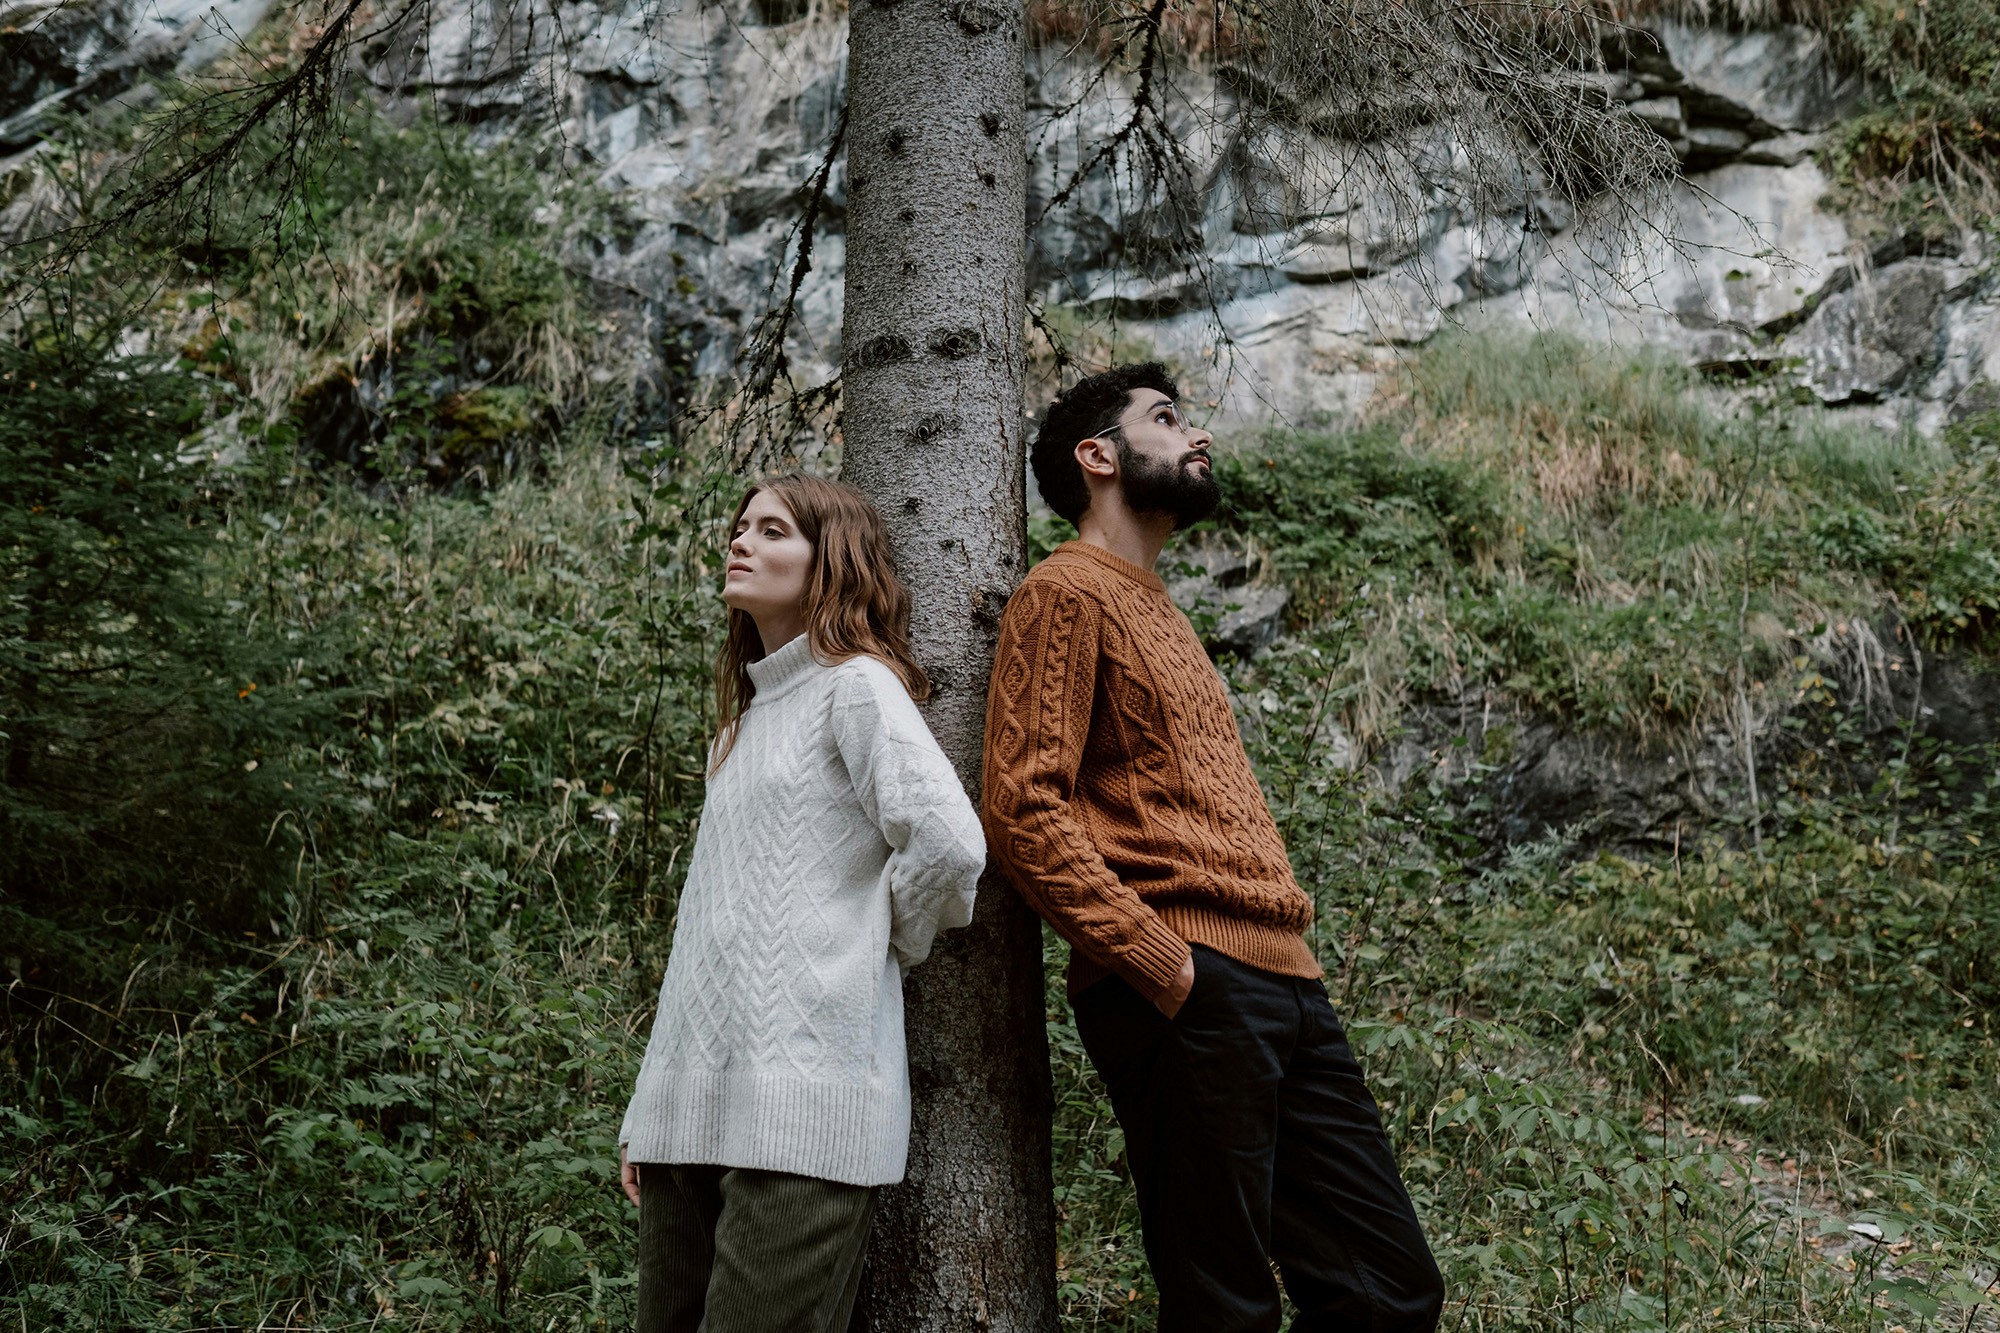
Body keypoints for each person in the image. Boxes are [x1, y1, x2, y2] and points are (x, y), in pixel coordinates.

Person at [981, 364, 1445, 1333]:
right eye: (1164, 419)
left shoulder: (1160, 607)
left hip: (1283, 980)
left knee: (1387, 1288)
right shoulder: (1062, 593)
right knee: (1223, 1306)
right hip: (1185, 989)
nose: (1195, 436)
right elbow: (1024, 806)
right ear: (1097, 456)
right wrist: (1161, 961)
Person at [617, 474, 985, 1333]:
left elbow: (951, 843)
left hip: (805, 1109)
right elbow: (703, 931)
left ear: (832, 562)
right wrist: (649, 1105)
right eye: (740, 526)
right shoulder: (738, 731)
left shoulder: (854, 688)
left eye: (773, 529)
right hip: (688, 1111)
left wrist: (875, 932)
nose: (741, 540)